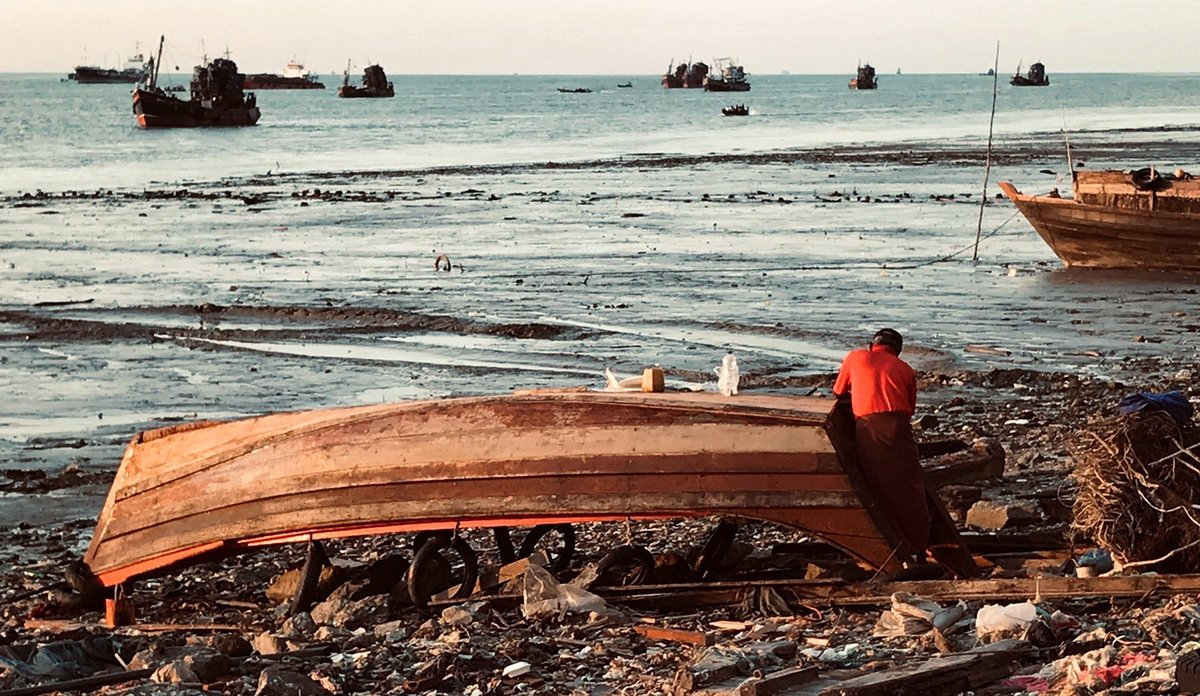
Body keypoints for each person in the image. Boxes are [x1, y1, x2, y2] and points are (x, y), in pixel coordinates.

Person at [832, 328, 930, 559]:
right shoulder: (905, 370)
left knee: (874, 480)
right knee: (907, 483)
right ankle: (917, 540)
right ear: (898, 351)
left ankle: (891, 538)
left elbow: (838, 391)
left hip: (867, 426)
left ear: (871, 345)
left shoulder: (855, 358)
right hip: (898, 428)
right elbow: (910, 409)